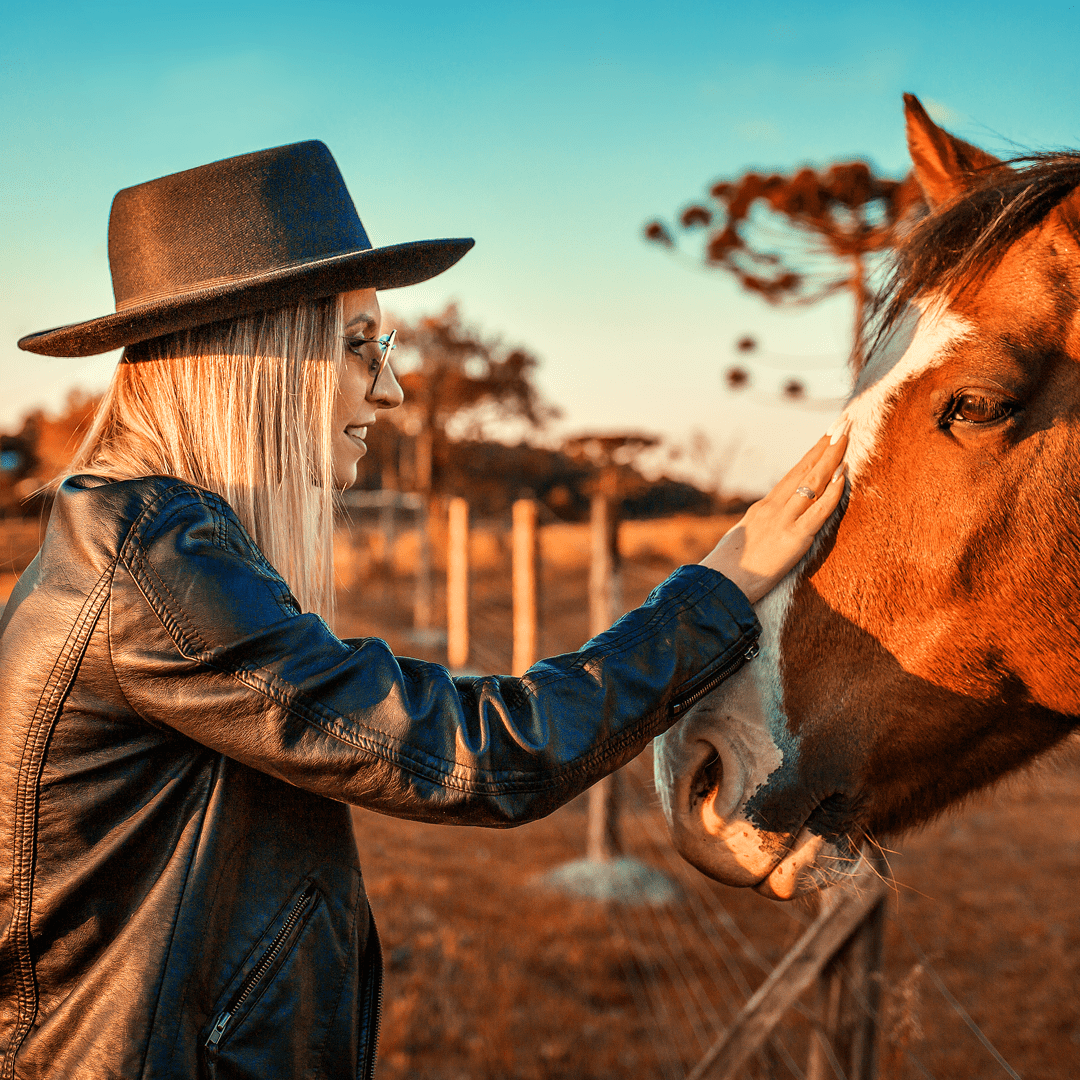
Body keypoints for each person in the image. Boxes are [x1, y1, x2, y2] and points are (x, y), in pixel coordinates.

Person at [2, 140, 846, 1079]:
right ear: (259, 354)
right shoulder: (153, 561)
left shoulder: (138, 540)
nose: (392, 387)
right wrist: (714, 594)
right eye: (360, 345)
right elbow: (472, 755)